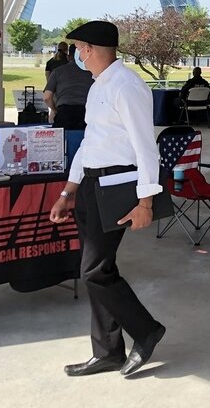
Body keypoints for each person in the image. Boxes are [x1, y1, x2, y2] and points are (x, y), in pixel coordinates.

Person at [49, 21, 166, 377]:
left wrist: (146, 201)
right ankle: (107, 351)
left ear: (93, 49)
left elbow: (146, 145)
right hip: (90, 187)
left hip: (118, 186)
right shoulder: (99, 85)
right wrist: (69, 190)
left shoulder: (127, 86)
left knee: (94, 271)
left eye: (81, 49)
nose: (78, 56)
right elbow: (89, 144)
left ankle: (146, 332)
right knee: (100, 270)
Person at [43, 44, 94, 130]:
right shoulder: (92, 72)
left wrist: (55, 110)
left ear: (68, 56)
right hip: (87, 114)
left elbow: (47, 97)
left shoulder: (57, 72)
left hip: (64, 114)